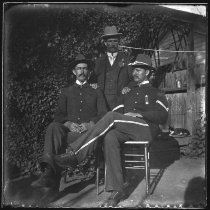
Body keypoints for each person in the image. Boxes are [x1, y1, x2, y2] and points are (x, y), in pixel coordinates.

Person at [51, 53, 169, 207]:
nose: (134, 73)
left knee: (111, 116)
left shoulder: (156, 92)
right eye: (133, 70)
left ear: (147, 72)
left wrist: (140, 114)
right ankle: (117, 190)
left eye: (138, 70)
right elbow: (118, 110)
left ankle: (76, 153)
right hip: (125, 127)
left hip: (145, 129)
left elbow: (163, 115)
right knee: (110, 136)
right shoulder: (127, 92)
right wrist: (124, 116)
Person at [31, 54, 108, 190]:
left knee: (60, 136)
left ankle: (48, 176)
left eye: (85, 69)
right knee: (53, 127)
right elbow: (58, 115)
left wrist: (89, 124)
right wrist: (68, 124)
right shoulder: (66, 92)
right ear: (74, 72)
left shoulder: (96, 91)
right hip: (69, 133)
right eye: (79, 69)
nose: (82, 71)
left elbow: (103, 114)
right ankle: (48, 172)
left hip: (87, 135)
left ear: (89, 72)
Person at [92, 25, 131, 110]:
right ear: (105, 43)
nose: (112, 44)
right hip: (102, 102)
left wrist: (129, 87)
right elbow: (92, 79)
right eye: (110, 41)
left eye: (115, 41)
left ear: (118, 42)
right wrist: (94, 84)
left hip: (121, 101)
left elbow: (134, 79)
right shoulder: (99, 61)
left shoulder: (127, 60)